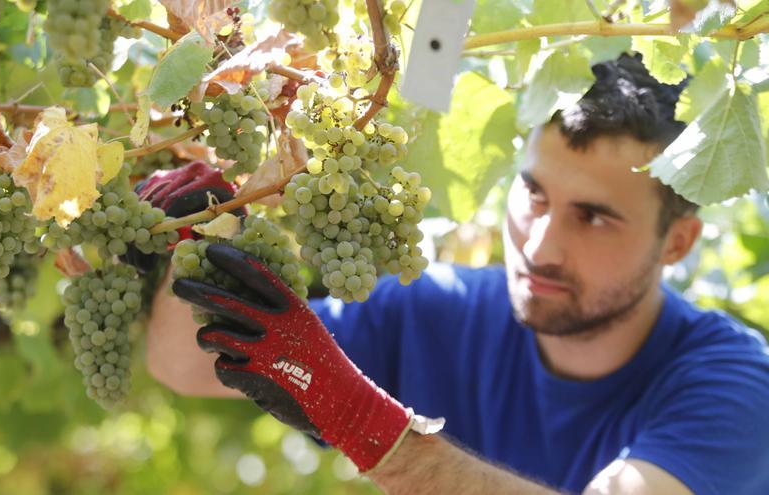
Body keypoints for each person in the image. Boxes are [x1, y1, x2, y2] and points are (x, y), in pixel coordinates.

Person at [144, 53, 769, 494]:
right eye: (534, 195)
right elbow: (184, 366)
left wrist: (355, 414)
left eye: (595, 217)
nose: (542, 244)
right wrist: (193, 238)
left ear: (677, 243)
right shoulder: (439, 312)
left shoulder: (736, 382)